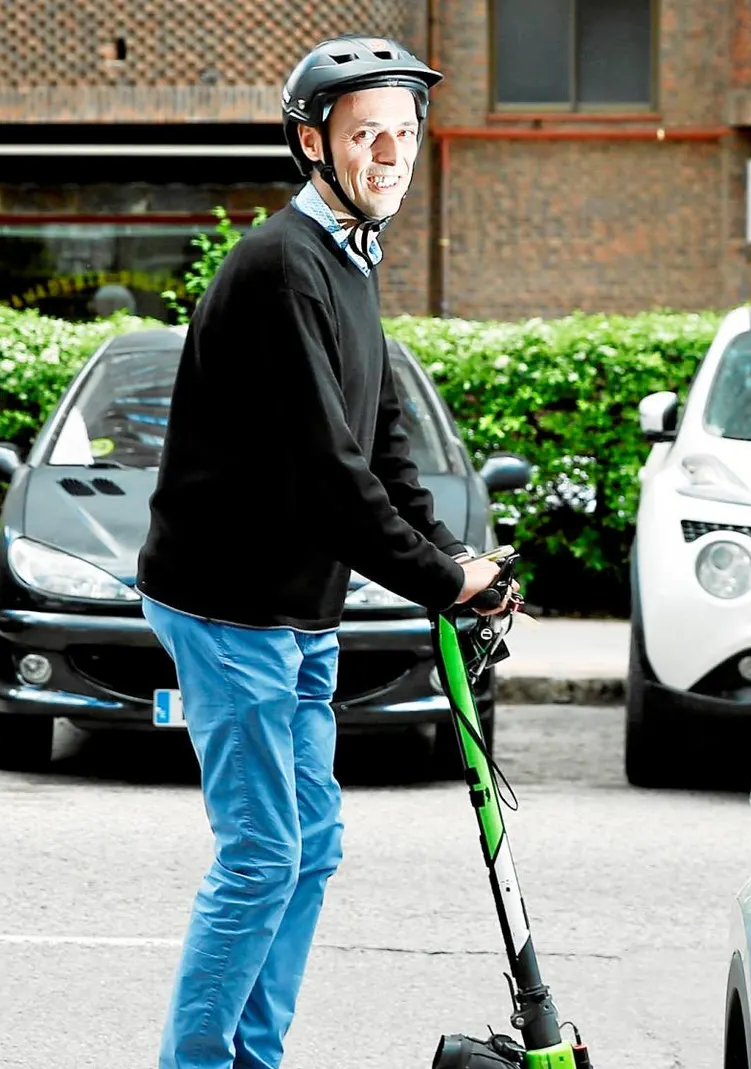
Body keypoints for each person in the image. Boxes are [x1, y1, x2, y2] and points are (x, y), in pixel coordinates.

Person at [135, 35, 511, 1069]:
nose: (390, 153)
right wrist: (439, 580)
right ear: (313, 143)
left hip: (298, 605)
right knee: (262, 854)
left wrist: (455, 557)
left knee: (311, 849)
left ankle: (253, 1054)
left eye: (403, 133)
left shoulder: (352, 259)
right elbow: (324, 473)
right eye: (365, 135)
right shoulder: (280, 266)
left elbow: (382, 437)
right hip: (228, 602)